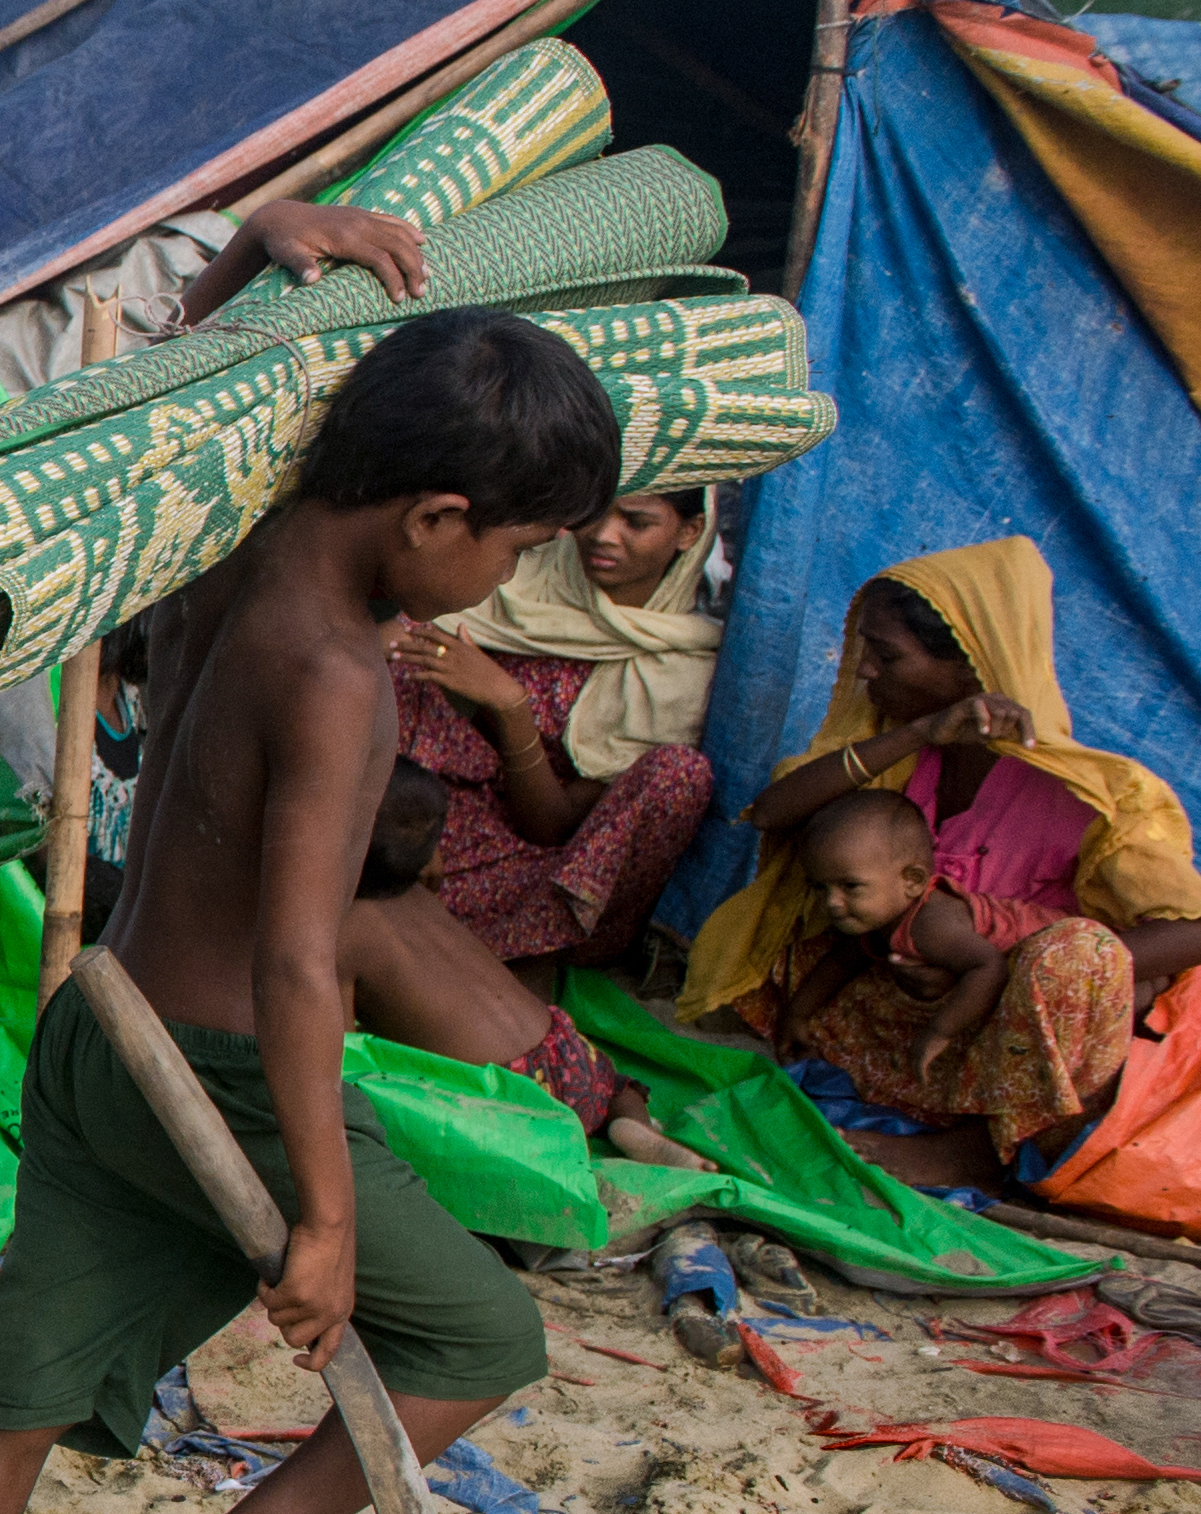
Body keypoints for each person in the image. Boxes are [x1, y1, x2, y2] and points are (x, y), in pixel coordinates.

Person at [0, 310, 601, 1514]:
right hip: (218, 1077)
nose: (499, 582)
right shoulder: (337, 673)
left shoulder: (217, 549)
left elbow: (179, 373)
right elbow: (298, 958)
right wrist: (320, 1214)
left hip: (102, 1023)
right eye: (508, 549)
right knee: (476, 1332)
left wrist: (265, 246)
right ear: (433, 515)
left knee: (23, 1375)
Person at [686, 540, 1201, 1183]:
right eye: (866, 650)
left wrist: (981, 964)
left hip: (1014, 1020)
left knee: (1078, 957)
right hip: (911, 1006)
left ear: (969, 667)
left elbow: (1190, 930)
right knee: (831, 895)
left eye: (889, 655)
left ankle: (980, 1152)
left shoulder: (1096, 798)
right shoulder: (901, 755)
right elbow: (771, 815)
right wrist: (916, 733)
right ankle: (911, 1098)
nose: (866, 671)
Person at [382, 488, 723, 963]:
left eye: (636, 522)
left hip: (549, 875)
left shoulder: (683, 669)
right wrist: (413, 822)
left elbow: (551, 827)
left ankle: (539, 950)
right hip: (438, 819)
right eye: (594, 512)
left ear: (689, 532)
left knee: (681, 775)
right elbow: (394, 644)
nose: (603, 536)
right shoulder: (523, 579)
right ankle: (387, 845)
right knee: (396, 655)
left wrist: (510, 705)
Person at [339, 764, 708, 1170]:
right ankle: (632, 1123)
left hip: (504, 1091)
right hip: (562, 1049)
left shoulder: (344, 934)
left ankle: (561, 1151)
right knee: (615, 1085)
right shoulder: (423, 896)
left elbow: (344, 1050)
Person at [777, 791, 1036, 1093]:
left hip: (1042, 959)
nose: (832, 903)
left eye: (850, 886)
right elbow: (841, 960)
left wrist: (940, 1031)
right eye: (820, 888)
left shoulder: (930, 924)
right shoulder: (880, 914)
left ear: (912, 881)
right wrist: (796, 1015)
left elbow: (990, 967)